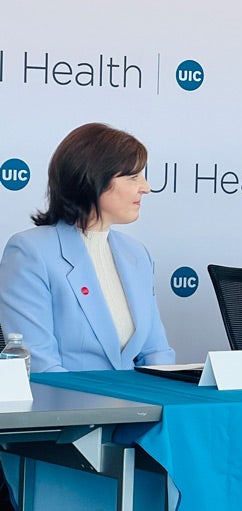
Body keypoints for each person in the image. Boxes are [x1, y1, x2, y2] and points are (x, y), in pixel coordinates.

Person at [0, 123, 175, 372]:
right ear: (94, 179)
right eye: (133, 177)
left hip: (138, 408)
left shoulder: (137, 254)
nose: (145, 187)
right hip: (67, 407)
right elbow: (40, 365)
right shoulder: (31, 252)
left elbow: (156, 352)